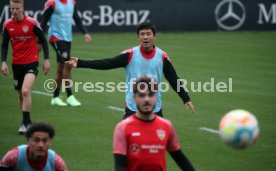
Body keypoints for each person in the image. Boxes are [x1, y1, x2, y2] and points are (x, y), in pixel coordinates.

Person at [67, 21, 195, 119]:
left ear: (154, 36)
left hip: (155, 107)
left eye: (148, 34)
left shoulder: (162, 57)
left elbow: (174, 79)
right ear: (138, 37)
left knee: (156, 145)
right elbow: (107, 63)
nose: (145, 37)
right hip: (133, 107)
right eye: (142, 34)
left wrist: (185, 98)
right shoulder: (130, 55)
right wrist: (81, 63)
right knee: (127, 146)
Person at [113, 76, 195, 171]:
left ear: (156, 97)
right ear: (134, 98)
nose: (147, 99)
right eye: (142, 95)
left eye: (151, 95)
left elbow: (180, 159)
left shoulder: (166, 126)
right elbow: (119, 166)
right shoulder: (123, 128)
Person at [1, 0, 50, 134]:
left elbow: (44, 41)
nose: (15, 11)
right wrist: (3, 61)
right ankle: (25, 120)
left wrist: (46, 60)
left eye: (17, 8)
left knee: (25, 90)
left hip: (31, 62)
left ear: (22, 8)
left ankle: (27, 124)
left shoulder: (32, 23)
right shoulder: (7, 25)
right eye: (12, 9)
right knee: (20, 94)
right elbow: (4, 45)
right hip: (16, 64)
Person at [41, 0, 92, 107]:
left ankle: (55, 97)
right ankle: (70, 96)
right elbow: (44, 22)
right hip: (55, 37)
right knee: (68, 65)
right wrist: (39, 40)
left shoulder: (71, 3)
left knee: (60, 69)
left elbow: (77, 19)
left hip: (67, 38)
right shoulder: (52, 3)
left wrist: (85, 32)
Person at [0, 122, 68, 171]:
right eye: (36, 140)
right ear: (29, 141)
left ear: (50, 142)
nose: (41, 145)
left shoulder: (57, 162)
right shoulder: (13, 156)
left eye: (45, 141)